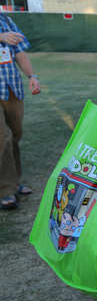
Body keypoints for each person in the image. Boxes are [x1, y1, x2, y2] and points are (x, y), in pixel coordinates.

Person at [0, 13, 40, 210]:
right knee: (2, 137)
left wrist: (32, 76)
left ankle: (13, 182)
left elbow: (20, 52)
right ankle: (5, 190)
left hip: (11, 87)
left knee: (15, 135)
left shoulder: (5, 19)